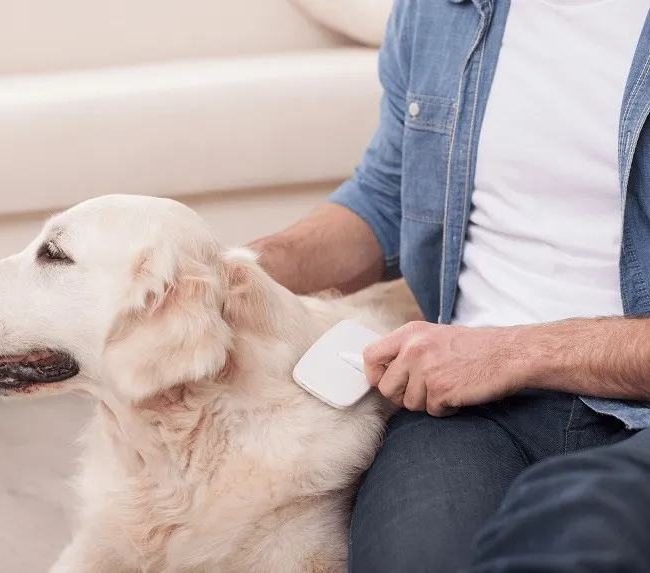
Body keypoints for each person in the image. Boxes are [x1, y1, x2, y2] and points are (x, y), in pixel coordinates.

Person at [248, 1, 650, 571]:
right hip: (465, 408)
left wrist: (510, 353)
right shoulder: (441, 10)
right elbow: (388, 197)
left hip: (630, 408)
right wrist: (237, 271)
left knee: (578, 539)